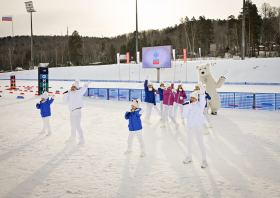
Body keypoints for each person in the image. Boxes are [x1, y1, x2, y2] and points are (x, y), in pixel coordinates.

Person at [182, 83, 208, 168]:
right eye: (191, 98)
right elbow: (184, 116)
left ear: (196, 98)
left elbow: (203, 101)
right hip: (190, 126)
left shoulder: (200, 105)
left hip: (198, 126)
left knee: (200, 143)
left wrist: (202, 93)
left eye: (194, 98)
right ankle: (189, 157)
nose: (192, 99)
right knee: (189, 142)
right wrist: (186, 107)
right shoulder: (188, 105)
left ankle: (204, 160)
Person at [63, 79, 90, 145]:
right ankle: (72, 138)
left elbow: (83, 89)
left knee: (77, 125)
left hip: (77, 111)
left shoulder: (79, 92)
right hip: (71, 112)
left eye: (74, 87)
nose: (73, 88)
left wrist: (86, 84)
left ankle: (82, 140)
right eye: (72, 86)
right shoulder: (70, 93)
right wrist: (66, 93)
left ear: (77, 87)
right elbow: (65, 100)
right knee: (72, 125)